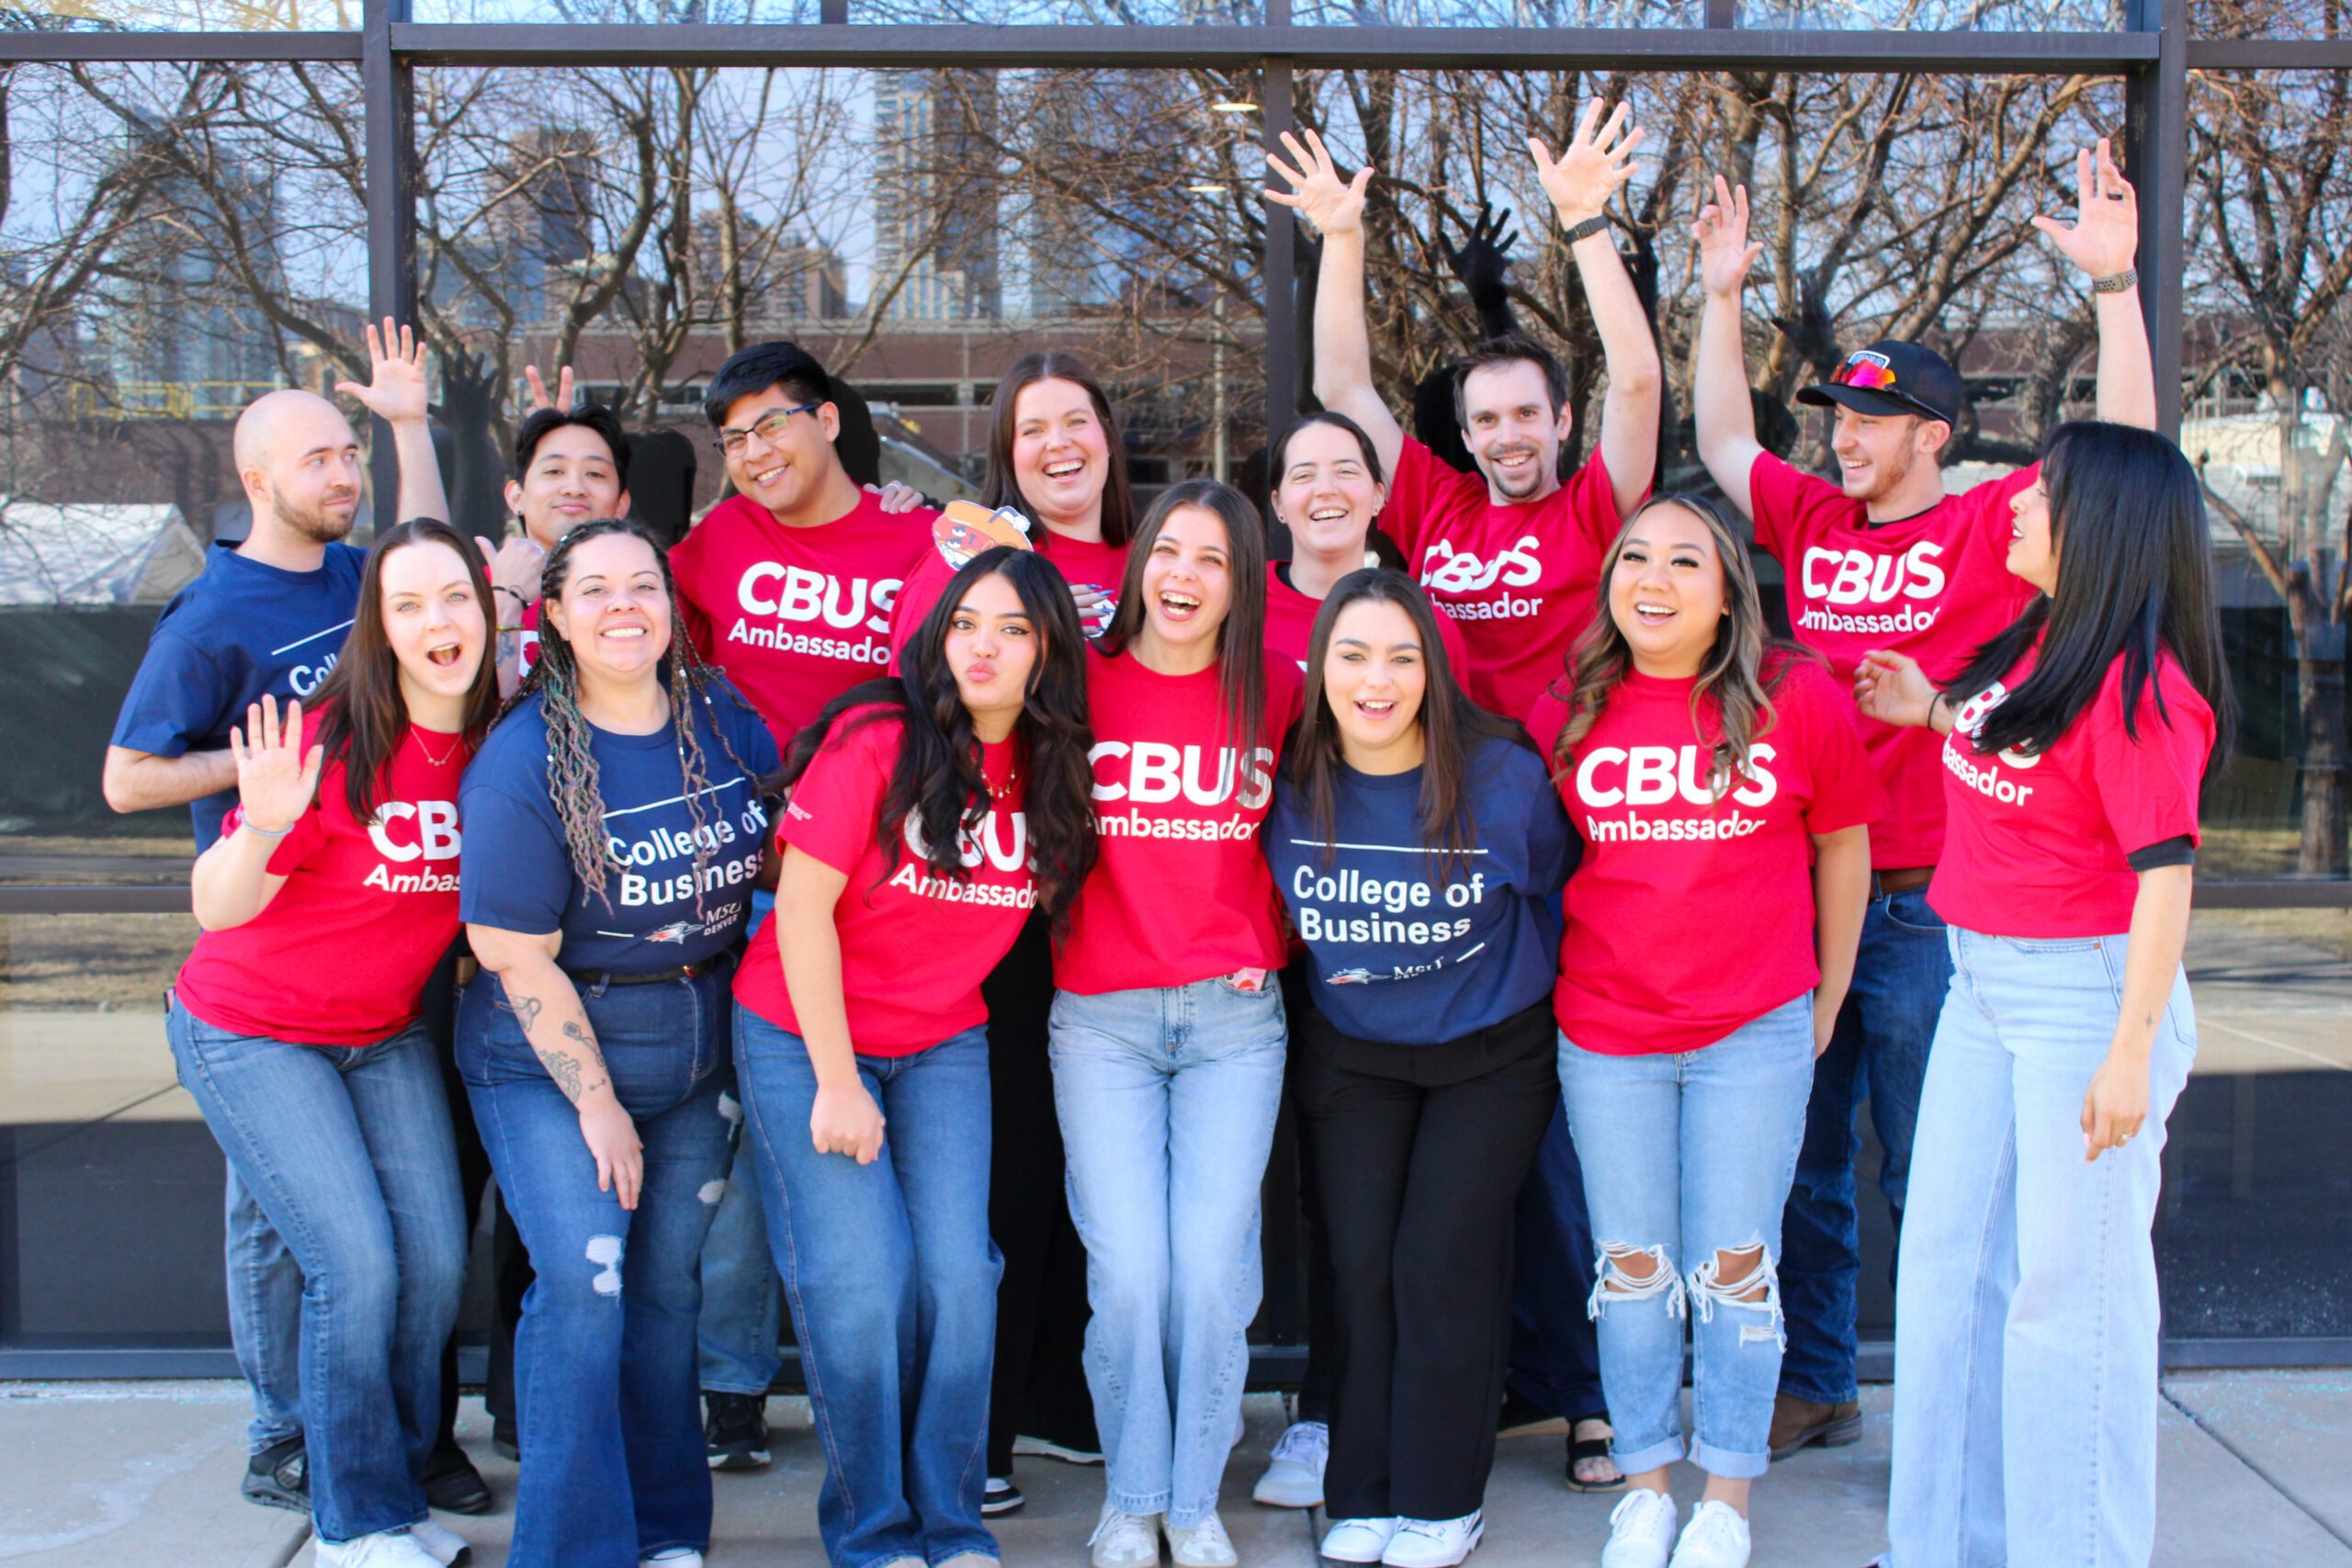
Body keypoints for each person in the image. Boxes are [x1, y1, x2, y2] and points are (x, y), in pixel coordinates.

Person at [1687, 141, 2160, 1461]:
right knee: (1807, 1162)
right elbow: (1726, 436)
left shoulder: (1999, 524)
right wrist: (1722, 296)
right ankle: (1821, 1379)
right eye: (1838, 414)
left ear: (1935, 436)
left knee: (1947, 1178)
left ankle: (1970, 1413)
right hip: (1806, 895)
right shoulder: (1815, 522)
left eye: (1870, 419)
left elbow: (2123, 450)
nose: (1841, 434)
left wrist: (2115, 291)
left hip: (1936, 913)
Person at [1272, 109, 1659, 1489]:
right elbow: (1344, 390)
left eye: (1524, 415)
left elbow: (1639, 387)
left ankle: (1592, 1389)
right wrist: (1341, 239)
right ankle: (1511, 1383)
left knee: (1559, 1145)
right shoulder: (1429, 512)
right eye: (1484, 417)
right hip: (1450, 856)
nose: (1505, 435)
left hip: (1579, 852)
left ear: (1557, 422)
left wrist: (1587, 229)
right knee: (1488, 1167)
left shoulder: (1597, 507)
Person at [102, 323, 477, 1517]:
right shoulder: (214, 616)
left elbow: (430, 560)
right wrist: (262, 778)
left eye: (345, 455)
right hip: (261, 928)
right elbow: (123, 777)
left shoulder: (354, 578)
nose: (342, 473)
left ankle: (396, 1445)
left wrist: (409, 425)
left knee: (400, 1250)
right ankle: (289, 1434)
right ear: (257, 478)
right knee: (299, 1233)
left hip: (372, 960)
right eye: (319, 458)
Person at [1852, 423, 2230, 1568]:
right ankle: (1939, 1548)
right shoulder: (2038, 647)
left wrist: (2131, 1050)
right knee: (1948, 1280)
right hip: (1981, 986)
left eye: (2040, 493)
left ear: (2100, 526)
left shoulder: (2140, 688)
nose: (2009, 503)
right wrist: (1925, 708)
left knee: (2074, 1309)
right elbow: (2010, 754)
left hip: (2088, 998)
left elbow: (2166, 880)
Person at [1527, 494, 1881, 1568]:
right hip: (1609, 1032)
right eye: (1636, 557)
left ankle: (1725, 1492)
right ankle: (1645, 1486)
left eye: (1686, 561)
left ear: (1729, 592)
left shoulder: (1796, 698)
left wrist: (1824, 997)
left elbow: (1846, 848)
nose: (1655, 578)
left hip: (1750, 1032)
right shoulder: (1570, 707)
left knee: (1734, 1271)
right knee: (1632, 1269)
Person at [729, 547, 1101, 1568]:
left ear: (1046, 651)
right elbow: (800, 910)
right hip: (808, 1034)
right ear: (936, 631)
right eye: (967, 621)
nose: (985, 646)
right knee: (863, 1282)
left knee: (959, 1275)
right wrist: (839, 1081)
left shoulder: (1050, 763)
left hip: (940, 1039)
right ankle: (874, 1529)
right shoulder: (880, 742)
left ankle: (951, 1520)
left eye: (1015, 628)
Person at [167, 517, 497, 1568]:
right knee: (354, 1267)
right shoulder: (334, 736)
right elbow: (216, 907)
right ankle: (352, 1522)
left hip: (380, 1032)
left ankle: (391, 1491)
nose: (436, 621)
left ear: (488, 612)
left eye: (454, 597)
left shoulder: (502, 743)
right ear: (380, 628)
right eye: (408, 605)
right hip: (251, 1029)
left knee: (436, 1266)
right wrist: (261, 823)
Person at [456, 518, 780, 1568]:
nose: (623, 607)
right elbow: (511, 951)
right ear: (553, 615)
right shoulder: (523, 759)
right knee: (587, 1288)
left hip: (699, 1048)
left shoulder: (722, 717)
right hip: (553, 1057)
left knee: (666, 1292)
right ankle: (571, 1550)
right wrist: (596, 1102)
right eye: (593, 590)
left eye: (642, 585)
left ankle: (666, 1530)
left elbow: (788, 860)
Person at [1267, 570, 1575, 1568]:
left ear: (1435, 670)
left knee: (1439, 1260)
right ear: (1319, 670)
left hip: (1489, 1056)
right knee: (1358, 1267)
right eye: (1353, 655)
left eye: (1403, 656)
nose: (1378, 679)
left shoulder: (1500, 776)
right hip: (1353, 1055)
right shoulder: (1289, 773)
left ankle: (1443, 1496)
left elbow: (1562, 893)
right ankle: (1361, 1490)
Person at [885, 354, 1137, 1516]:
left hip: (1142, 912)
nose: (1056, 445)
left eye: (1074, 422)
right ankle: (980, 1430)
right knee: (1006, 1173)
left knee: (1101, 1177)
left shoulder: (1155, 563)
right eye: (1032, 428)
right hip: (1008, 906)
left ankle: (1067, 1404)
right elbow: (920, 691)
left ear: (1107, 437)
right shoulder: (969, 563)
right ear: (1006, 451)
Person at [1051, 479, 1303, 1568]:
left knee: (1209, 1272)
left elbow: (1335, 820)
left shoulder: (1280, 690)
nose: (1185, 577)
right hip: (1100, 1018)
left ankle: (1192, 1499)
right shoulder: (1077, 685)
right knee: (1129, 1277)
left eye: (1212, 559)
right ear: (1138, 563)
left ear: (1242, 583)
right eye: (1168, 553)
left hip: (1232, 1021)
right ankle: (1133, 1493)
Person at [1250, 412, 1468, 1514]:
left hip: (1386, 954)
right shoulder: (1243, 614)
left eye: (1347, 469)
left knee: (1373, 1208)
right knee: (1314, 1201)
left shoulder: (1415, 618)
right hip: (1266, 948)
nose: (1324, 487)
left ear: (1381, 494)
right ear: (1275, 502)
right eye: (1301, 474)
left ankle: (1340, 1410)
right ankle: (1319, 1412)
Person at [667, 340, 937, 759]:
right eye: (735, 440)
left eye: (772, 424)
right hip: (741, 804)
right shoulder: (724, 530)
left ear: (827, 421)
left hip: (866, 805)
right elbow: (629, 610)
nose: (755, 453)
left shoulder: (924, 541)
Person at [481, 398, 633, 696]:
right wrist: (505, 601)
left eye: (595, 474)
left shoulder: (643, 599)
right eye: (553, 472)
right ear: (516, 497)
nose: (574, 487)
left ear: (621, 504)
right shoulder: (471, 594)